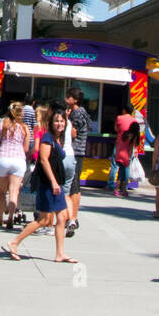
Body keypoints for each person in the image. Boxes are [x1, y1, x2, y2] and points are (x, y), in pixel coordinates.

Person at [7, 109, 78, 263]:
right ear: (51, 123)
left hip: (56, 184)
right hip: (48, 184)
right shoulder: (47, 138)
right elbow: (44, 160)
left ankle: (60, 253)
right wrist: (53, 182)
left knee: (62, 217)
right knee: (44, 220)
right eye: (56, 121)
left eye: (62, 121)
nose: (60, 123)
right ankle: (15, 242)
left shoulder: (56, 138)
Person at [0, 102, 31, 229]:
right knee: (14, 191)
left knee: (1, 192)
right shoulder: (25, 128)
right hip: (18, 160)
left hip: (3, 158)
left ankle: (1, 217)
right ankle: (11, 218)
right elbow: (25, 148)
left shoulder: (2, 124)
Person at [64, 88, 92, 231]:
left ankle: (73, 217)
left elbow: (73, 133)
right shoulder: (81, 112)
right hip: (78, 152)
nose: (65, 99)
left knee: (74, 185)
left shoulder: (77, 113)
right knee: (73, 185)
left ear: (75, 100)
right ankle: (71, 216)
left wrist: (67, 120)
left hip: (76, 152)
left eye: (68, 97)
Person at [111, 108, 138, 197]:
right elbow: (131, 147)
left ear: (124, 110)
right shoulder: (133, 136)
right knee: (125, 172)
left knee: (117, 169)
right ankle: (124, 189)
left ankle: (115, 188)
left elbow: (116, 129)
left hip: (119, 152)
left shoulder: (124, 133)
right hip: (126, 155)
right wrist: (130, 156)